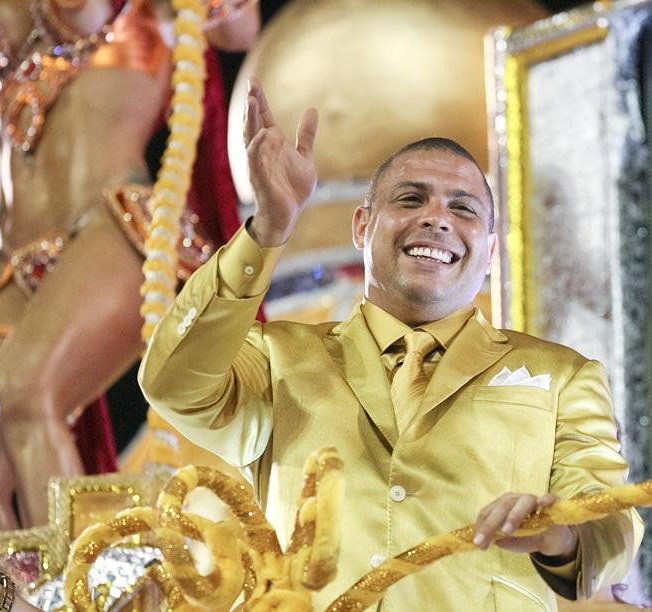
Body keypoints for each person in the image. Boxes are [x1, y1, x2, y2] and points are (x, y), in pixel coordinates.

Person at [138, 79, 644, 610]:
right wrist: (267, 228)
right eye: (410, 199)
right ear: (363, 226)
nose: (436, 218)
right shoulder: (276, 357)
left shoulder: (563, 375)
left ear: (490, 251)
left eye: (464, 208)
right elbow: (173, 382)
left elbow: (610, 521)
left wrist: (559, 534)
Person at [0, 0, 260, 530]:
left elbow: (239, 30)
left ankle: (80, 592)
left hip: (111, 228)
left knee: (23, 388)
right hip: (13, 253)